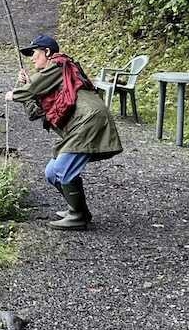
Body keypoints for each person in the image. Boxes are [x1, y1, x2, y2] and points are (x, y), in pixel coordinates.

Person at [6, 34, 122, 231]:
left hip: (89, 121)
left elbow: (32, 88)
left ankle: (77, 217)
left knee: (62, 171)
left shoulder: (58, 64)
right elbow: (34, 111)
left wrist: (16, 93)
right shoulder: (50, 77)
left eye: (34, 53)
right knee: (52, 173)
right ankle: (79, 210)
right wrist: (25, 87)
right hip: (83, 124)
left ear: (48, 52)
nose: (32, 59)